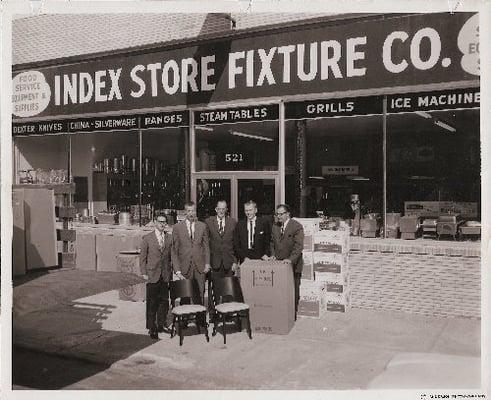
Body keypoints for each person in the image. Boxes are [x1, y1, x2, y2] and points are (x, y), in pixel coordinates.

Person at [171, 201, 211, 309]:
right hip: (185, 267)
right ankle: (185, 322)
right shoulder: (177, 227)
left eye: (193, 210)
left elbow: (206, 247)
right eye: (188, 211)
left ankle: (200, 321)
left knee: (200, 293)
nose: (191, 213)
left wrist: (207, 263)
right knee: (185, 295)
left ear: (195, 211)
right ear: (185, 212)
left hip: (200, 266)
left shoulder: (202, 226)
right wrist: (177, 270)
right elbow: (174, 251)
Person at [140, 214, 173, 339]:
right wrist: (143, 273)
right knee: (152, 302)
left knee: (164, 301)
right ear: (155, 222)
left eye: (164, 222)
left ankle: (162, 324)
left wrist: (173, 272)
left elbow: (171, 256)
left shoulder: (169, 238)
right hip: (152, 274)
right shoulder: (147, 238)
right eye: (160, 222)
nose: (162, 224)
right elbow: (142, 257)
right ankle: (151, 327)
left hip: (165, 275)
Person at [270, 204, 304, 320]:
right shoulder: (275, 226)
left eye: (281, 214)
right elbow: (272, 243)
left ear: (288, 214)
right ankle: (281, 315)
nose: (278, 216)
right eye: (277, 214)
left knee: (292, 292)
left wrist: (290, 260)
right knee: (280, 291)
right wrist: (273, 255)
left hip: (293, 266)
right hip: (279, 266)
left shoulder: (296, 226)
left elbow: (298, 247)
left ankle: (291, 316)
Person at [205, 200, 238, 321]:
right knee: (214, 290)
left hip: (229, 262)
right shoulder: (208, 222)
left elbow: (236, 244)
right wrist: (207, 262)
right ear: (215, 209)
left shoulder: (233, 222)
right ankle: (213, 314)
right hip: (214, 262)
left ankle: (227, 314)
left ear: (226, 209)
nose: (221, 211)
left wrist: (235, 261)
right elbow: (205, 244)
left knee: (227, 289)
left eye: (223, 209)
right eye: (219, 209)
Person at [234, 200, 271, 264]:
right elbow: (237, 244)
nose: (248, 213)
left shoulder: (263, 223)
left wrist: (266, 254)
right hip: (245, 259)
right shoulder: (240, 224)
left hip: (261, 259)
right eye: (246, 210)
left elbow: (268, 241)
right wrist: (243, 257)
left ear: (256, 210)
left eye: (250, 210)